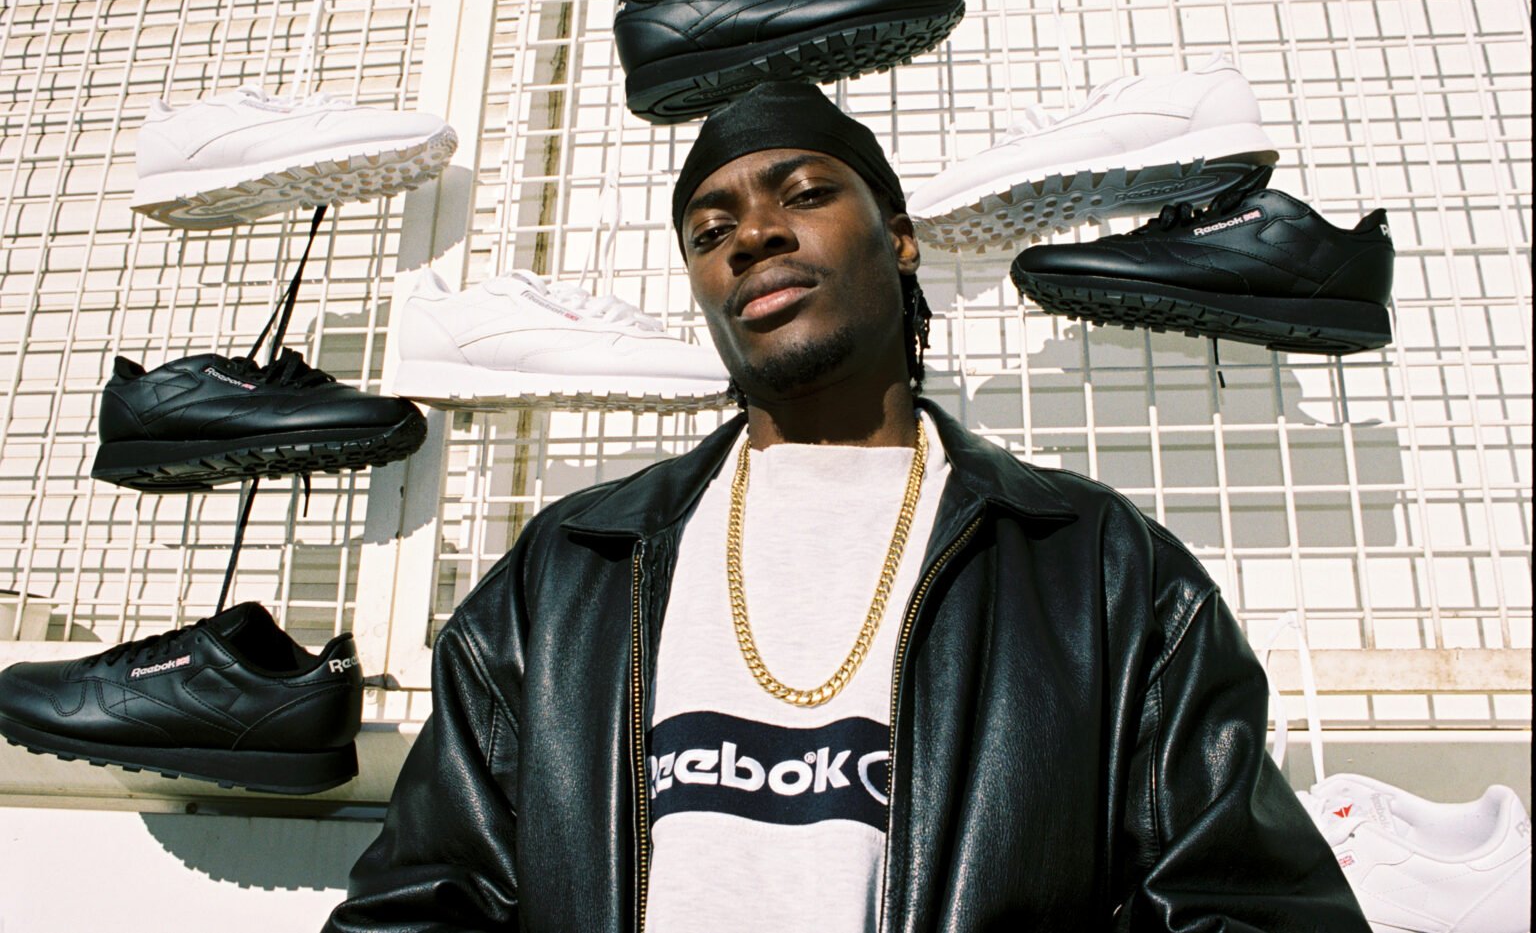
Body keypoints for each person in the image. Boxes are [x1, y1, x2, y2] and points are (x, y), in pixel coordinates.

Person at [325, 82, 1368, 932]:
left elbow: (1249, 908)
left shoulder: (1094, 565)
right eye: (710, 230)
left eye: (805, 192)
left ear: (900, 237)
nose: (752, 235)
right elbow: (420, 904)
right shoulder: (573, 567)